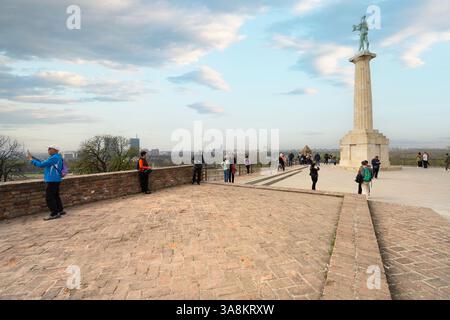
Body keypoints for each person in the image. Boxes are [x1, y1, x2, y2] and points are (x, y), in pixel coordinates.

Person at [27, 146, 66, 221]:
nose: (48, 150)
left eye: (49, 149)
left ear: (55, 150)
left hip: (51, 179)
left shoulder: (54, 158)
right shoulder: (58, 157)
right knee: (55, 196)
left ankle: (54, 213)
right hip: (56, 179)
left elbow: (41, 165)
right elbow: (44, 162)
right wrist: (34, 157)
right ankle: (60, 210)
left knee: (49, 197)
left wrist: (31, 160)